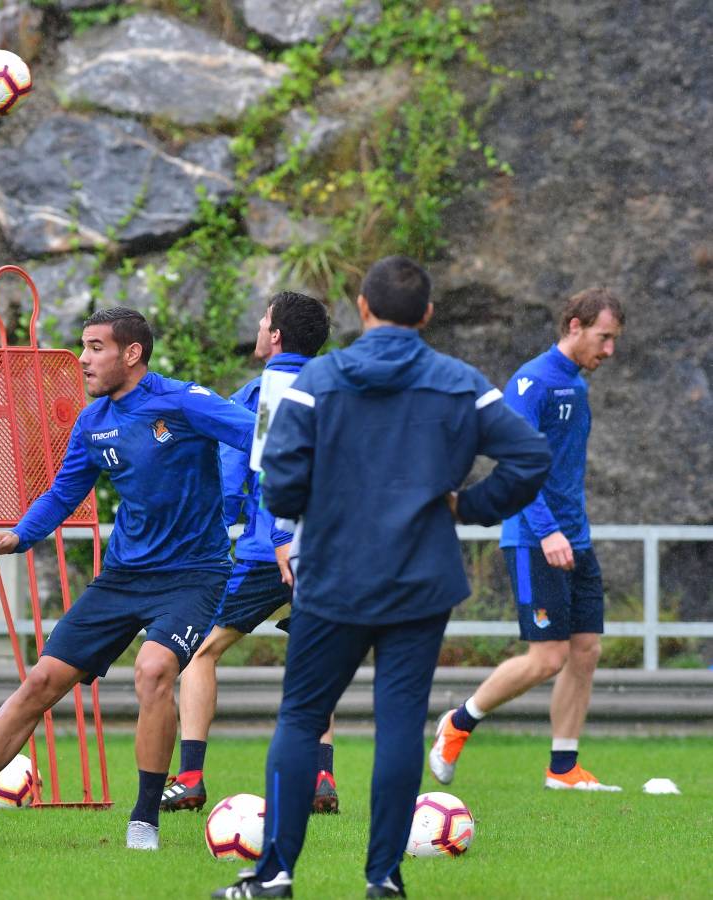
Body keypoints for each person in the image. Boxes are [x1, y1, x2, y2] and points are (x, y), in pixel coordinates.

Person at [213, 256, 550, 899]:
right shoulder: (460, 381)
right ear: (425, 314)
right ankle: (384, 879)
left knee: (301, 717)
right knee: (399, 724)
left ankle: (277, 874)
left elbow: (278, 478)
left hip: (333, 575)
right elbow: (529, 455)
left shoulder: (318, 381)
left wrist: (319, 505)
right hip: (420, 579)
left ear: (364, 310)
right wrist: (470, 506)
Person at [0, 306, 255, 851]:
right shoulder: (93, 422)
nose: (83, 360)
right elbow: (65, 492)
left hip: (193, 576)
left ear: (131, 354)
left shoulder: (183, 401)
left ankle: (143, 821)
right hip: (122, 577)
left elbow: (258, 435)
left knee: (154, 669)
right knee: (41, 681)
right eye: (84, 347)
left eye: (95, 348)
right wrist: (18, 534)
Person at [430, 287, 625, 793]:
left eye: (614, 340)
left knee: (586, 649)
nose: (609, 351)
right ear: (576, 326)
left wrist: (570, 532)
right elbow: (515, 468)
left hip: (573, 537)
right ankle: (459, 722)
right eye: (604, 338)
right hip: (536, 537)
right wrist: (549, 531)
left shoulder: (576, 385)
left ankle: (563, 768)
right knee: (547, 657)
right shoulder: (533, 381)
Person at [162, 292, 342, 816]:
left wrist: (212, 541)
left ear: (277, 336)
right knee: (316, 661)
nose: (259, 330)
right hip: (328, 554)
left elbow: (230, 484)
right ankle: (322, 778)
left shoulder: (256, 395)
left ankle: (191, 778)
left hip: (267, 552)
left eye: (263, 322)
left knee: (200, 651)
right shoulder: (340, 389)